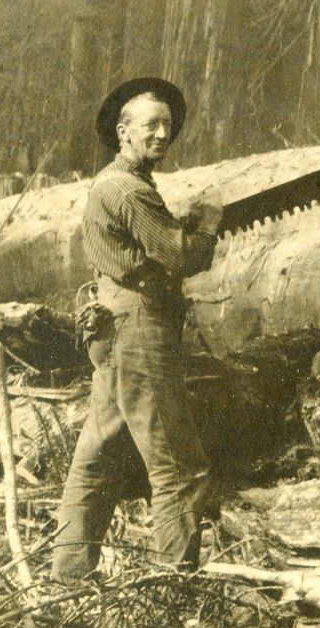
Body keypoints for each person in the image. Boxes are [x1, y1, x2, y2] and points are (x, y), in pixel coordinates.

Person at [53, 77, 220, 578]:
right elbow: (180, 257)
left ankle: (67, 579)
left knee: (98, 460)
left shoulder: (117, 183)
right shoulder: (128, 188)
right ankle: (172, 590)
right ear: (123, 131)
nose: (163, 134)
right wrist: (209, 224)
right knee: (180, 469)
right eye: (151, 125)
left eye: (167, 125)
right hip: (139, 328)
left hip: (115, 325)